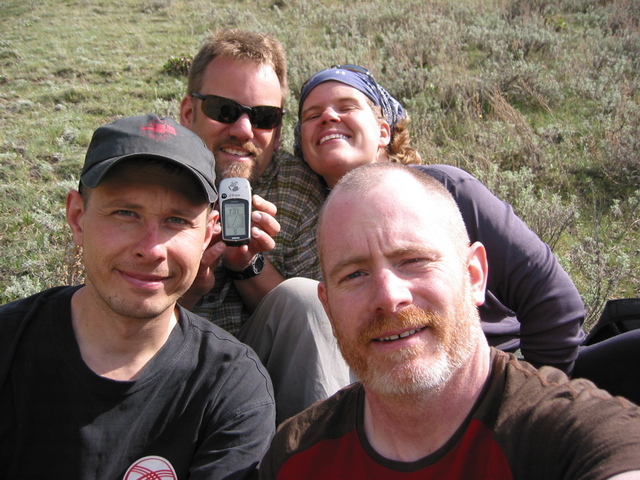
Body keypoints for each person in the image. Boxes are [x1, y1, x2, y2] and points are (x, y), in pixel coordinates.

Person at [259, 163, 640, 480]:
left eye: (413, 261)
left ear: (475, 276)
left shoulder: (574, 435)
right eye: (354, 274)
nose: (389, 297)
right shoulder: (295, 455)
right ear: (327, 307)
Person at [0, 114, 275, 479]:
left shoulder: (232, 389)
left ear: (208, 235)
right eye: (126, 213)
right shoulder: (8, 345)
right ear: (78, 218)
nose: (151, 248)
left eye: (177, 220)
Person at [294, 64, 586, 374]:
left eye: (346, 107)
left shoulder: (446, 190)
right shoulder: (303, 224)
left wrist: (529, 396)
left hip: (497, 372)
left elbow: (554, 301)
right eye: (312, 116)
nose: (328, 116)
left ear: (383, 131)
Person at [178, 29, 350, 423]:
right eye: (224, 110)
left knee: (305, 298)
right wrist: (187, 285)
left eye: (263, 117)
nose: (242, 129)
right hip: (173, 363)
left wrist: (248, 266)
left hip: (270, 374)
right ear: (189, 113)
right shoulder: (154, 178)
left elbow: (321, 324)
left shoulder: (299, 189)